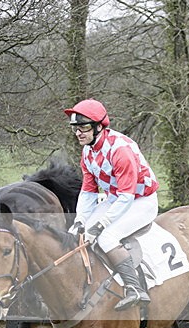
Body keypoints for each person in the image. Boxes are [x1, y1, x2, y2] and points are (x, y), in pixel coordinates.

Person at [65, 99, 159, 311]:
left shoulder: (120, 150)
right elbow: (88, 191)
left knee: (106, 236)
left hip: (140, 200)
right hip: (116, 198)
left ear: (99, 126)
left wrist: (101, 224)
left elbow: (127, 196)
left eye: (84, 127)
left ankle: (135, 289)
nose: (79, 133)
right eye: (76, 129)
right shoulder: (88, 152)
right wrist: (80, 220)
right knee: (76, 233)